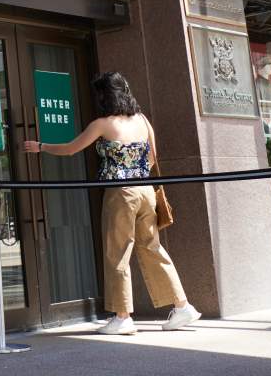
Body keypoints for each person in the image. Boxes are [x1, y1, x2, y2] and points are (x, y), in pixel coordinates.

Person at [23, 71, 200, 335]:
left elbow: (72, 148)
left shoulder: (103, 124)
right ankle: (182, 305)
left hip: (121, 193)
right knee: (152, 248)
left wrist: (42, 146)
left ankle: (122, 316)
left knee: (117, 252)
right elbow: (153, 157)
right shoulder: (142, 120)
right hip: (146, 191)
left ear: (105, 96)